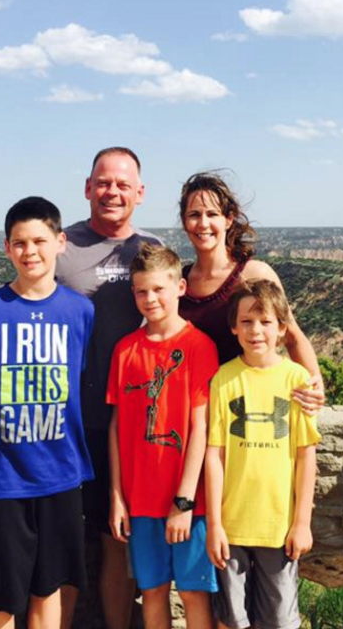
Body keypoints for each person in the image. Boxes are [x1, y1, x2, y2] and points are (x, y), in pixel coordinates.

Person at [0, 148, 160, 629]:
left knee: (109, 540)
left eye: (123, 184)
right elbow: (13, 302)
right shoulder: (61, 251)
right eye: (103, 182)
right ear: (88, 187)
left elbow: (172, 304)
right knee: (33, 574)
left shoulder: (148, 249)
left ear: (140, 193)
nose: (112, 192)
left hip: (121, 423)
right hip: (57, 430)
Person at [0, 197, 95, 629]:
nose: (30, 251)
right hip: (2, 480)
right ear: (7, 248)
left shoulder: (80, 311)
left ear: (60, 242)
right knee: (2, 598)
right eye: (20, 243)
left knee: (48, 590)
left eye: (39, 241)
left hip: (60, 473)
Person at [107, 244, 219, 629]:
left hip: (188, 502)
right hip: (140, 500)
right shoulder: (125, 350)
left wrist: (184, 502)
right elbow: (117, 426)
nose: (150, 298)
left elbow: (200, 427)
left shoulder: (198, 347)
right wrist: (118, 497)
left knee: (192, 593)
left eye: (158, 289)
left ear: (180, 288)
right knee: (152, 591)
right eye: (141, 291)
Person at [205, 280, 320, 629]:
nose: (256, 331)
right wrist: (214, 525)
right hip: (232, 524)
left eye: (266, 322)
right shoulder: (224, 379)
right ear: (234, 328)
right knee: (231, 619)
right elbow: (214, 455)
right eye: (247, 322)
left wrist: (302, 523)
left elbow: (305, 456)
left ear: (283, 328)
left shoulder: (296, 378)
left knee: (280, 621)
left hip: (278, 525)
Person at [178, 171, 324, 408]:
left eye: (212, 214)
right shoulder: (180, 282)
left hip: (247, 408)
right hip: (193, 414)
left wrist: (314, 384)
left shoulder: (253, 274)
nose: (203, 223)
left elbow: (292, 337)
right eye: (194, 215)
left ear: (228, 219)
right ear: (185, 221)